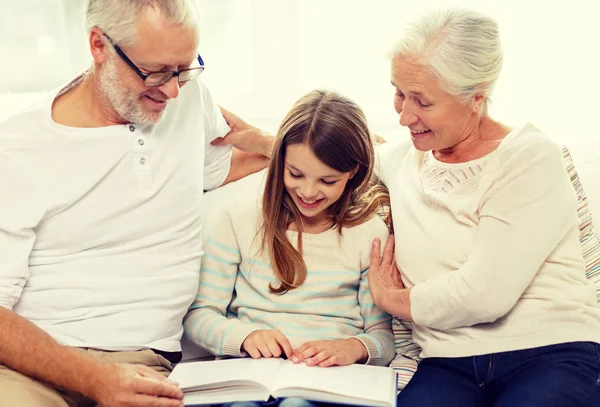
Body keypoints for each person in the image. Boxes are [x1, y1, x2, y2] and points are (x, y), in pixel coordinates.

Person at [0, 1, 271, 406]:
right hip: (33, 368)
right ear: (99, 46)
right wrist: (95, 379)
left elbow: (223, 166)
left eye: (184, 68)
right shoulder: (19, 147)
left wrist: (278, 142)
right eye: (156, 71)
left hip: (146, 364)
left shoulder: (188, 100)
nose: (173, 89)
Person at [365, 8, 600, 407]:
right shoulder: (400, 161)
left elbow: (483, 294)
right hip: (447, 363)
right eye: (398, 92)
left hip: (548, 351)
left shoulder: (529, 158)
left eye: (422, 100)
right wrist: (253, 141)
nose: (404, 115)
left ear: (476, 97)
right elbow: (321, 153)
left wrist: (391, 299)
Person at [184, 90, 396, 407]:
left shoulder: (369, 234)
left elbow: (383, 336)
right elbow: (199, 317)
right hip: (248, 379)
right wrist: (245, 338)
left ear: (353, 174)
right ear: (280, 159)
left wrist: (352, 347)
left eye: (327, 181)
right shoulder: (238, 219)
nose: (308, 192)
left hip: (324, 385)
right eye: (296, 174)